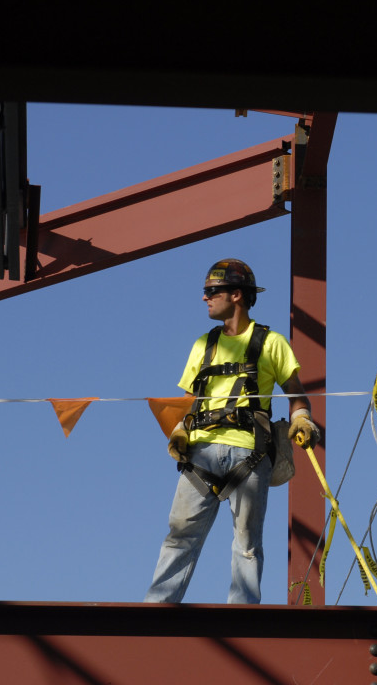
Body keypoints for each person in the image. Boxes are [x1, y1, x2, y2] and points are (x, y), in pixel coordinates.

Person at [144, 258, 320, 604]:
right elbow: (190, 401)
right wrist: (180, 430)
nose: (205, 298)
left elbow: (297, 395)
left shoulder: (271, 343)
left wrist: (302, 419)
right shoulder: (203, 345)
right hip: (201, 453)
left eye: (212, 291)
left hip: (249, 453)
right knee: (180, 535)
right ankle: (157, 608)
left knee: (247, 543)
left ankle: (242, 614)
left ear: (236, 295)